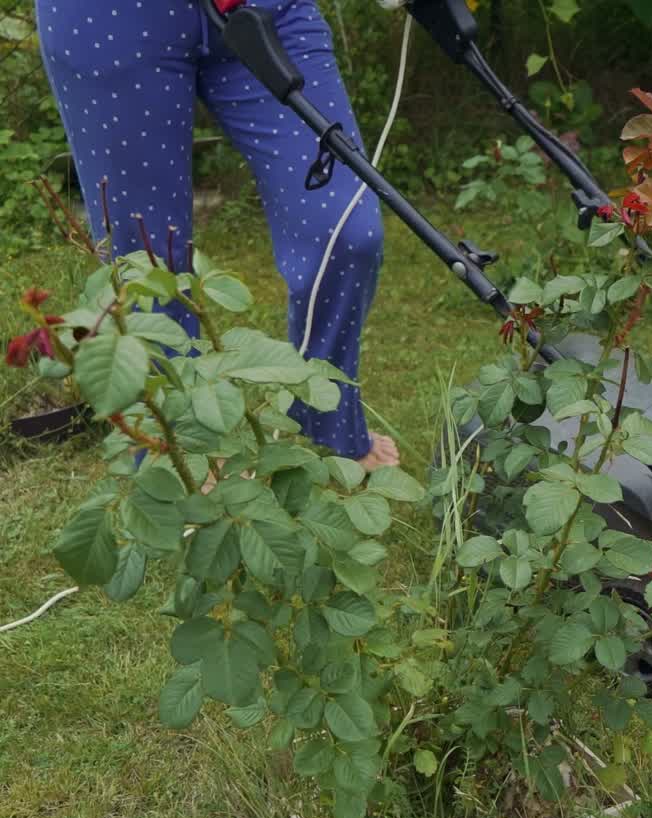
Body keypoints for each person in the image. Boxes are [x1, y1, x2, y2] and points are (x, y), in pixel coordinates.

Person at [34, 0, 398, 469]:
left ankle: (324, 418)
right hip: (110, 19)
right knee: (148, 261)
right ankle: (180, 455)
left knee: (348, 231)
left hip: (266, 8)